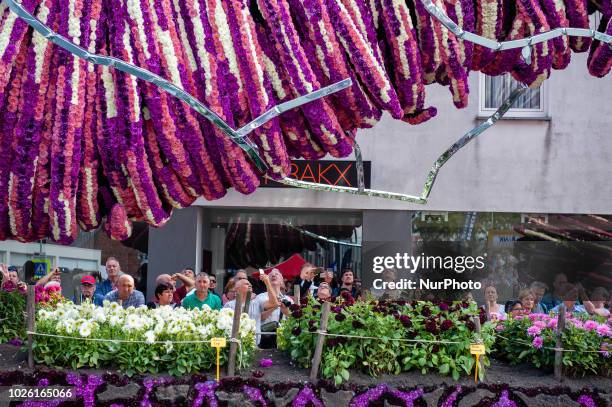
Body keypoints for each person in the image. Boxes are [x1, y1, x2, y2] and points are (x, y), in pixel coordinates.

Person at [223, 273, 279, 342]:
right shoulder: (229, 305)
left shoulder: (257, 302)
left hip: (254, 345)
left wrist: (267, 283)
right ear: (237, 288)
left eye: (250, 284)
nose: (250, 285)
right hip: (235, 345)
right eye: (246, 284)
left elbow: (274, 303)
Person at [255, 269, 292, 348]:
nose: (273, 275)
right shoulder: (260, 297)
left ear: (281, 281)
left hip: (283, 339)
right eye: (271, 274)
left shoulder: (288, 300)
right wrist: (274, 307)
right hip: (264, 338)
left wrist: (286, 312)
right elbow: (257, 318)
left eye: (277, 274)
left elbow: (293, 319)